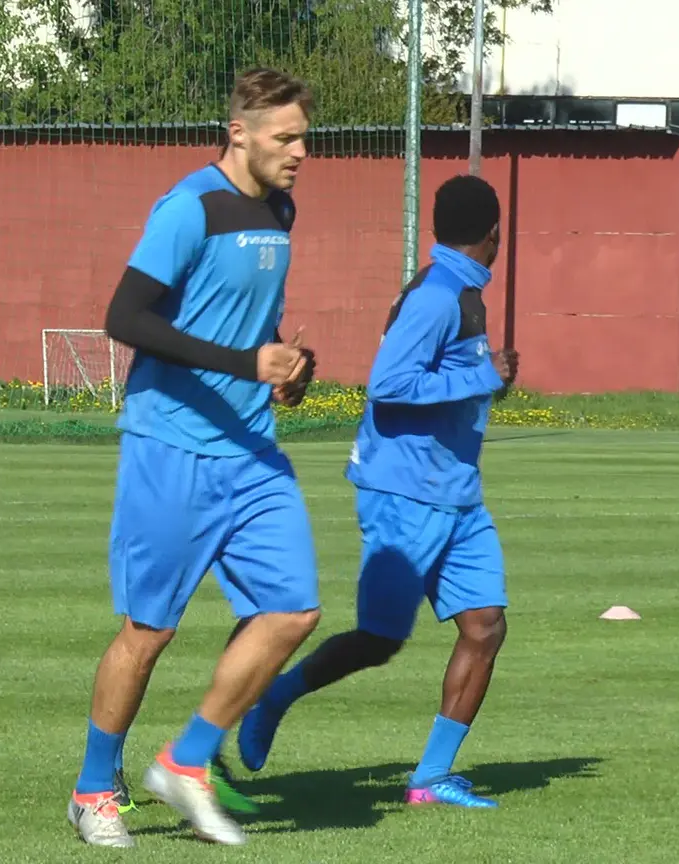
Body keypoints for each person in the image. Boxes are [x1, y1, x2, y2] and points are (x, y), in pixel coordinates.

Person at [65, 67, 323, 848]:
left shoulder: (280, 208)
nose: (300, 152)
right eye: (285, 138)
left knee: (293, 610)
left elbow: (253, 322)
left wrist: (285, 369)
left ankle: (187, 760)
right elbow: (124, 317)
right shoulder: (189, 208)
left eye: (304, 137)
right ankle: (92, 790)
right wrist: (244, 364)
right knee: (148, 632)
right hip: (171, 447)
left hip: (252, 451)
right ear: (238, 133)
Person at [230, 173, 519, 809]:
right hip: (405, 492)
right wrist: (481, 376)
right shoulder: (437, 296)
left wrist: (484, 378)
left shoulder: (458, 288)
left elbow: (442, 379)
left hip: (455, 491)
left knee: (485, 626)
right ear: (495, 235)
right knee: (379, 639)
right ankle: (274, 696)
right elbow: (388, 386)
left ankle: (432, 777)